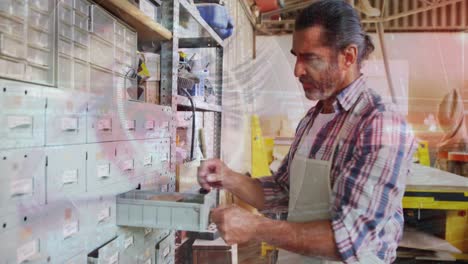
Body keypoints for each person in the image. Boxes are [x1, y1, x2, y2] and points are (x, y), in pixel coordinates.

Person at [198, 1, 416, 263]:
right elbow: (284, 192)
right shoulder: (314, 118)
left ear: (347, 57)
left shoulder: (379, 124)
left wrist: (256, 227)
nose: (297, 70)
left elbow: (352, 239)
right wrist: (228, 177)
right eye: (296, 56)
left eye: (310, 58)